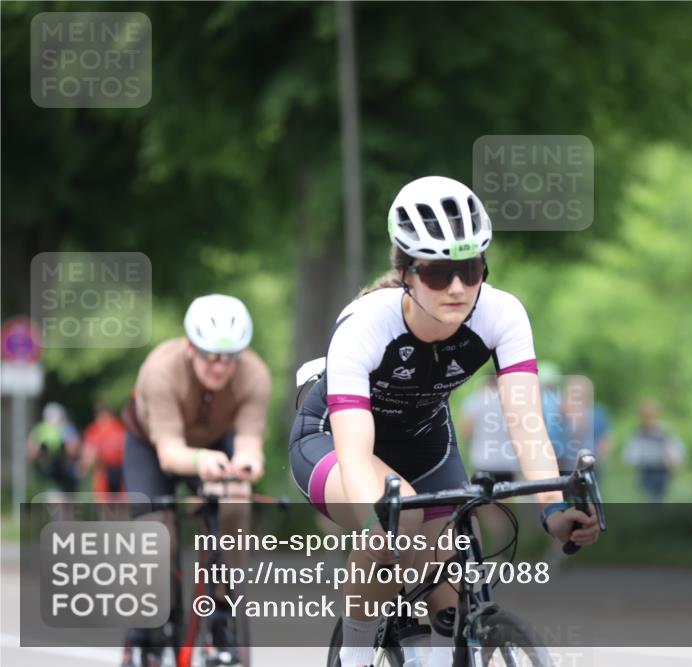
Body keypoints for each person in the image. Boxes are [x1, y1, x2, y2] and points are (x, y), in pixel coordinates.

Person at [289, 176, 599, 667]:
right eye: (437, 274)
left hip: (425, 443)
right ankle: (352, 655)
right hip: (332, 440)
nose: (457, 287)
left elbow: (527, 425)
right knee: (401, 520)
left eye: (470, 268)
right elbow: (354, 451)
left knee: (454, 586)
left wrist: (553, 510)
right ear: (406, 272)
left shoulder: (503, 314)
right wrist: (381, 525)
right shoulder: (366, 326)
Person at [120, 294, 272, 667]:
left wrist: (246, 466)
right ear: (190, 347)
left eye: (229, 357)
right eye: (210, 356)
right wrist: (202, 460)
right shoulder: (161, 371)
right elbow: (170, 453)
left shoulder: (255, 375)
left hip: (216, 438)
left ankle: (222, 611)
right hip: (153, 444)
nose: (220, 367)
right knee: (155, 529)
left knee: (237, 499)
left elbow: (250, 446)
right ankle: (147, 626)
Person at [458, 375, 518, 483]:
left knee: (483, 496)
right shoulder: (511, 401)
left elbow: (465, 430)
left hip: (482, 459)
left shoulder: (476, 399)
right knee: (505, 496)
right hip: (507, 460)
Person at [623, 400, 686, 501]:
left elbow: (677, 450)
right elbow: (631, 456)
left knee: (659, 498)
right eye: (645, 416)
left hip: (662, 471)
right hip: (646, 471)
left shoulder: (664, 432)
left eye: (650, 416)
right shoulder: (638, 434)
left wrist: (674, 461)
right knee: (647, 498)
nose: (648, 419)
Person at [557, 375, 612, 475]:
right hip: (565, 467)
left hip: (590, 465)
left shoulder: (598, 412)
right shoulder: (560, 412)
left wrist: (598, 459)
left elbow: (605, 440)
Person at [27, 402, 81, 494]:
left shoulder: (42, 429)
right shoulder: (42, 429)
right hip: (51, 472)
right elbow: (31, 453)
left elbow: (31, 453)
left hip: (62, 472)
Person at [79, 402, 127, 501]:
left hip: (116, 470)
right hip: (106, 470)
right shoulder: (96, 430)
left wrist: (83, 467)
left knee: (116, 503)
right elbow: (89, 453)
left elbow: (89, 453)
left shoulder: (117, 428)